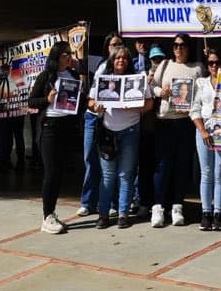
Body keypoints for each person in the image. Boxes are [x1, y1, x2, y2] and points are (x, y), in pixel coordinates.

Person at [89, 42, 152, 228]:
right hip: (108, 132)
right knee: (108, 176)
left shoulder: (137, 79)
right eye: (117, 57)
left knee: (126, 174)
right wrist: (95, 106)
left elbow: (149, 104)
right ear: (112, 60)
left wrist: (138, 107)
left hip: (131, 130)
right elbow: (90, 101)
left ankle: (123, 214)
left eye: (124, 57)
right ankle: (103, 215)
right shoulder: (103, 78)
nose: (121, 61)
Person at [149, 33, 202, 228]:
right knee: (163, 166)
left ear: (189, 48)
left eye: (183, 45)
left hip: (186, 121)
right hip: (165, 120)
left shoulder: (197, 67)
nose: (179, 49)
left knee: (182, 165)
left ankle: (177, 206)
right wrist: (159, 92)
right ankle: (158, 207)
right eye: (176, 45)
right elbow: (151, 85)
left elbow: (203, 89)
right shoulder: (164, 65)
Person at [29, 40, 81, 234]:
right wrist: (47, 100)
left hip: (66, 127)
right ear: (57, 57)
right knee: (51, 172)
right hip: (49, 127)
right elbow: (32, 101)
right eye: (65, 54)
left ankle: (52, 213)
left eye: (70, 53)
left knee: (59, 173)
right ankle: (47, 215)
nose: (69, 57)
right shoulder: (47, 76)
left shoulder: (73, 75)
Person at [75, 33, 119, 219]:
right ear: (106, 47)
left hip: (112, 119)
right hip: (94, 117)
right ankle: (88, 202)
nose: (116, 48)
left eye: (120, 45)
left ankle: (110, 202)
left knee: (110, 163)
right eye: (113, 45)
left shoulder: (126, 68)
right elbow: (90, 93)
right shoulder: (100, 66)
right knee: (90, 159)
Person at [193, 45, 221, 231]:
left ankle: (219, 212)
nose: (214, 66)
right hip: (205, 129)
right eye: (211, 63)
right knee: (206, 172)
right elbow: (195, 108)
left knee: (220, 172)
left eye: (217, 63)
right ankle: (206, 212)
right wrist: (202, 130)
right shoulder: (201, 83)